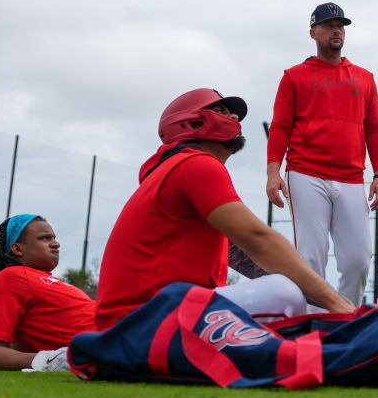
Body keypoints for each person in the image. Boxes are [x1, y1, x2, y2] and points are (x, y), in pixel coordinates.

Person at [95, 88, 353, 331]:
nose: (233, 117)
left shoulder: (175, 168)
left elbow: (255, 261)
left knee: (291, 295)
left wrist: (335, 306)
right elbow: (258, 241)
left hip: (137, 322)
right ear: (190, 123)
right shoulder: (196, 164)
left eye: (234, 114)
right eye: (220, 110)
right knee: (283, 292)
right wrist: (338, 304)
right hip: (143, 323)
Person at [266, 2, 378, 308]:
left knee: (358, 260)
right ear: (313, 32)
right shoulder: (294, 76)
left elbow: (375, 129)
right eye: (329, 25)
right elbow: (280, 126)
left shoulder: (364, 77)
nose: (337, 30)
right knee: (310, 256)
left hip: (350, 178)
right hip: (305, 173)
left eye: (341, 25)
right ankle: (314, 326)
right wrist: (272, 172)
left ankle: (344, 319)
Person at [0, 215, 95, 371]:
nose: (56, 244)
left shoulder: (41, 280)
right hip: (111, 345)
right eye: (45, 238)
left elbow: (22, 345)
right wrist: (51, 359)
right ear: (18, 249)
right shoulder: (10, 277)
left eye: (54, 238)